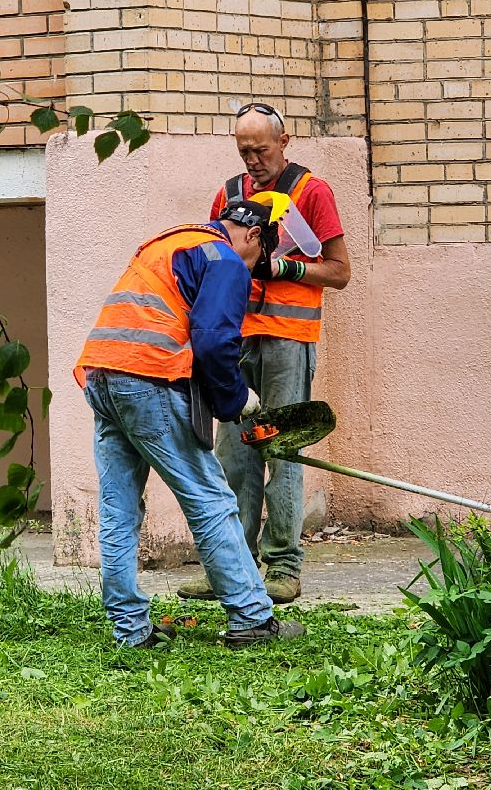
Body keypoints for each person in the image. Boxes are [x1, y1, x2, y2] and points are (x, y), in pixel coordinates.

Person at [75, 196, 306, 649]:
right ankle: (251, 618)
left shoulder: (170, 244)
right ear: (254, 236)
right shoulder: (225, 258)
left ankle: (130, 630)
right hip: (145, 376)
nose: (253, 267)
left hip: (101, 374)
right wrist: (237, 400)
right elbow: (215, 340)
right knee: (210, 499)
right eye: (259, 259)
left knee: (119, 507)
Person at [178, 102, 350, 605]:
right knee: (234, 454)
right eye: (243, 150)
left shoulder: (312, 192)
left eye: (261, 149)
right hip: (232, 339)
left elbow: (339, 272)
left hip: (287, 342)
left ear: (285, 140)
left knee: (281, 448)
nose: (252, 160)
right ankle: (232, 568)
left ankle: (284, 568)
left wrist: (286, 269)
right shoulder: (228, 196)